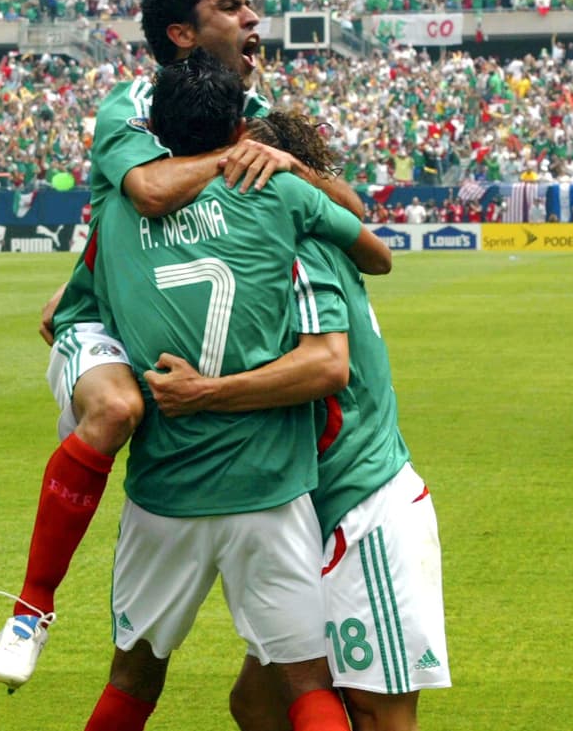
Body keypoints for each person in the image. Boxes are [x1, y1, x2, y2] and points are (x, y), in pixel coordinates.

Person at [0, 0, 366, 692]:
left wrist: (283, 161)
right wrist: (240, 153)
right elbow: (151, 190)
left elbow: (348, 210)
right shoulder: (130, 103)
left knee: (151, 670)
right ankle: (32, 608)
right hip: (100, 319)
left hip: (191, 360)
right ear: (183, 34)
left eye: (251, 5)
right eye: (232, 7)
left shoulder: (255, 118)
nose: (254, 18)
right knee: (121, 407)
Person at [77, 50, 389, 731]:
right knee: (305, 680)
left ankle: (28, 611)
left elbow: (72, 309)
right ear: (238, 128)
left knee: (132, 677)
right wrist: (283, 171)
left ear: (154, 129)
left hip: (166, 488)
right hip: (270, 487)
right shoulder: (281, 192)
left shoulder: (116, 214)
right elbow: (377, 251)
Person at [146, 108, 449, 731]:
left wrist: (205, 394)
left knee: (377, 713)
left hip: (361, 505)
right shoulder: (269, 240)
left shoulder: (302, 247)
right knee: (258, 704)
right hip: (296, 508)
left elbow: (326, 367)